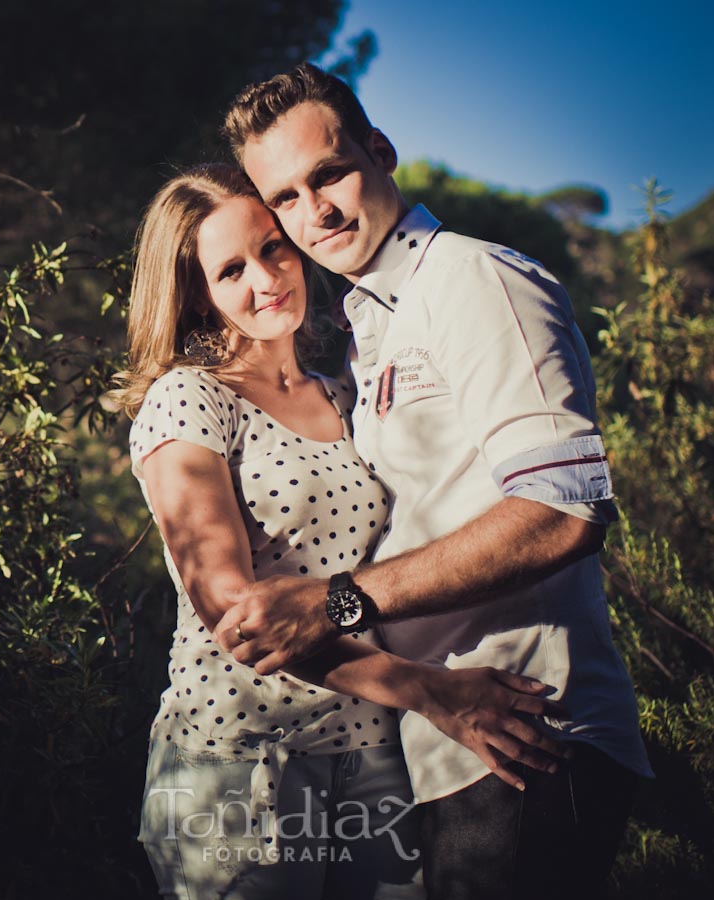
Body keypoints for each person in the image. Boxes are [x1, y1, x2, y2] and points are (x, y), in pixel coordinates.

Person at [214, 64, 654, 898]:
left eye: (330, 173)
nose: (316, 214)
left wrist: (335, 602)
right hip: (447, 746)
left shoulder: (473, 279)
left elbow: (564, 510)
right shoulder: (369, 324)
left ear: (379, 151)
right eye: (286, 198)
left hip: (531, 729)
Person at [113, 164, 570, 900]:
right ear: (197, 293)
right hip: (241, 760)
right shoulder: (186, 401)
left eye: (272, 248)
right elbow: (235, 614)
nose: (266, 279)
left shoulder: (340, 392)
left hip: (373, 749)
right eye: (231, 269)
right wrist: (432, 691)